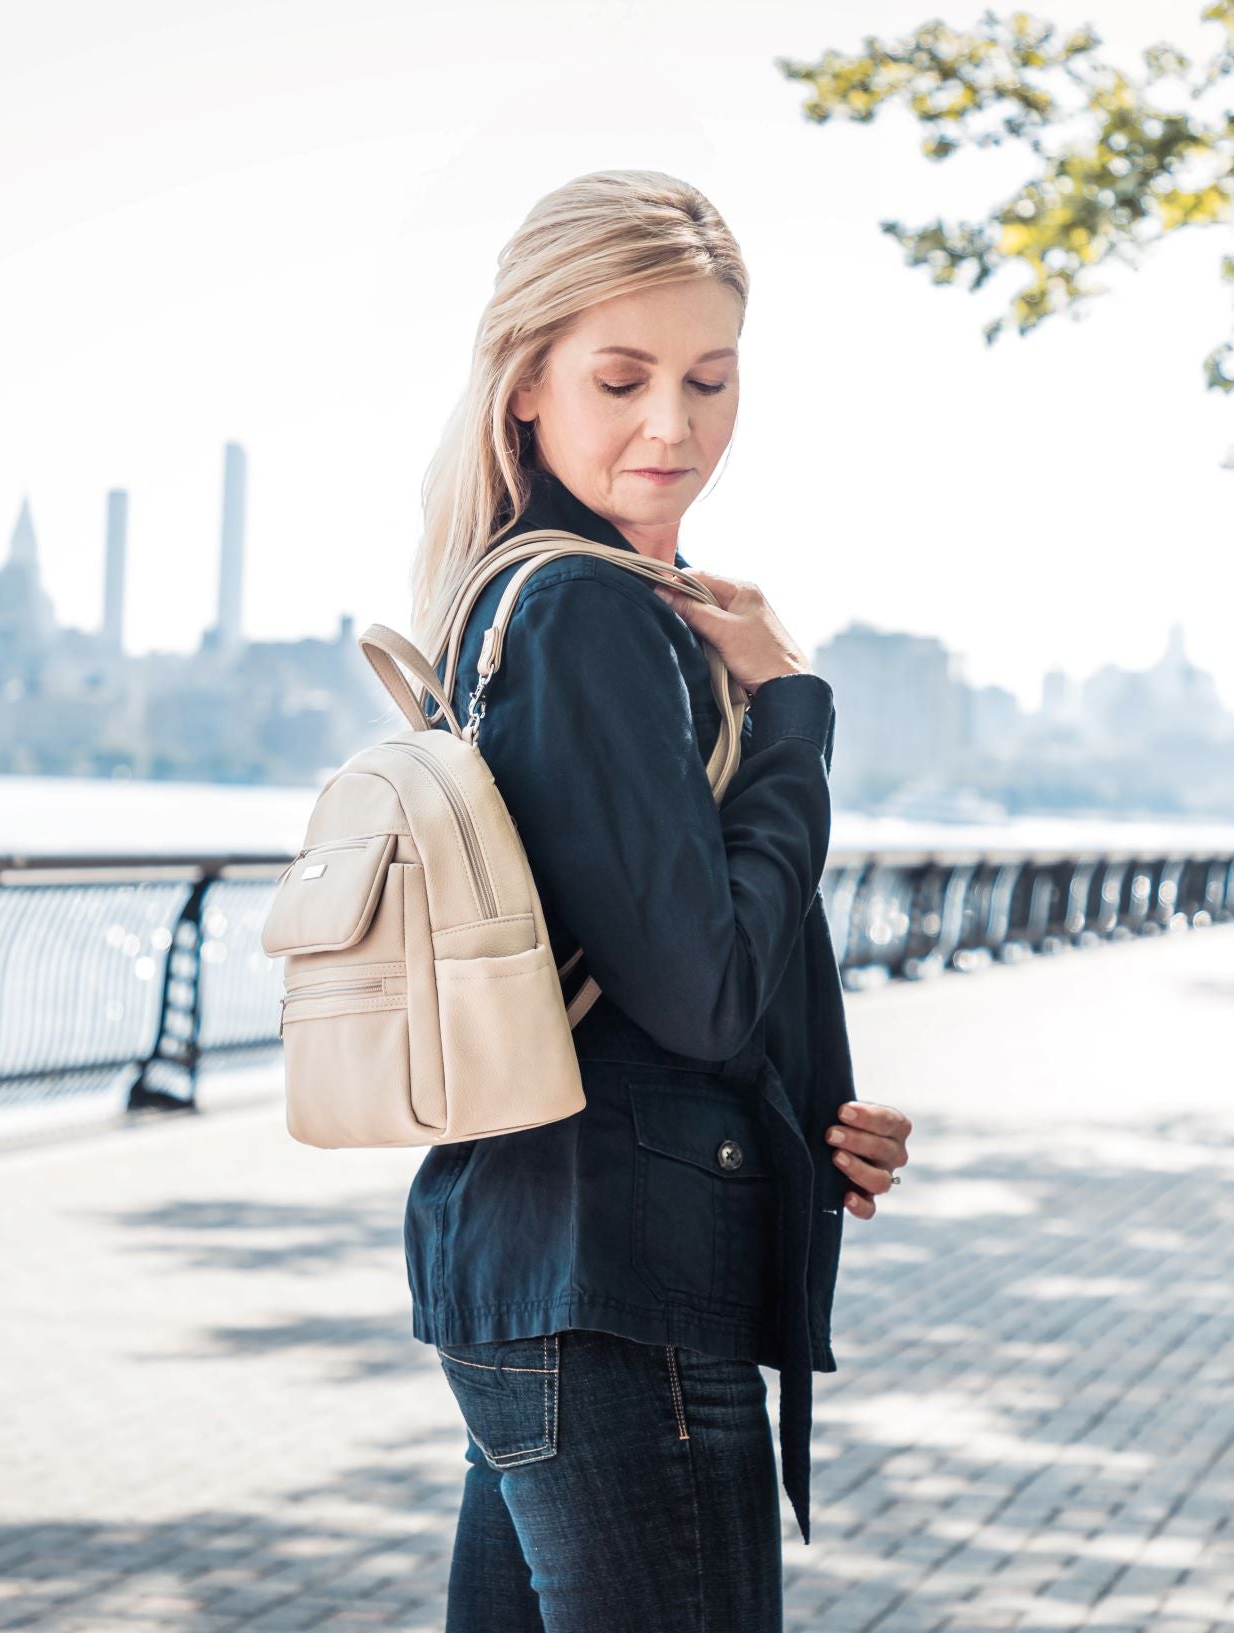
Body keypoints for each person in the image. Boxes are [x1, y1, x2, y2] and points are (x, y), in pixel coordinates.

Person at [398, 169, 916, 1631]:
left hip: (549, 1264)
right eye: (619, 378)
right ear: (524, 384)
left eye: (709, 377)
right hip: (614, 1289)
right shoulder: (584, 611)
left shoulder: (527, 599)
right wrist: (796, 715)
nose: (671, 426)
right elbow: (695, 994)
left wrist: (806, 1113)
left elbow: (651, 963)